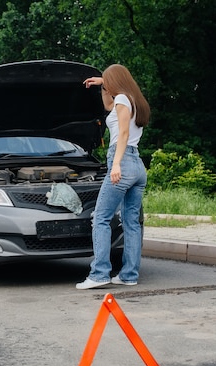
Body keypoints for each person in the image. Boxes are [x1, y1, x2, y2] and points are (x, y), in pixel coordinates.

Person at [76, 64, 150, 289]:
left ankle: (99, 274)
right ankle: (129, 275)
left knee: (100, 217)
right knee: (131, 223)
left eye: (107, 81)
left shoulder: (123, 100)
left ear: (115, 81)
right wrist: (102, 84)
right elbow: (107, 105)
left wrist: (116, 164)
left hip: (123, 161)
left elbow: (124, 134)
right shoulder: (131, 100)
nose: (105, 84)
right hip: (137, 165)